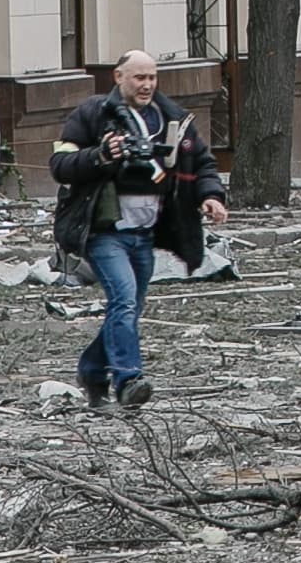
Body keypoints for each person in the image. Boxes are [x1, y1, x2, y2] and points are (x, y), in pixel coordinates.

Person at [52, 51, 228, 409]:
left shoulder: (173, 118)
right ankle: (129, 380)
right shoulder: (92, 114)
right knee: (123, 299)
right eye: (139, 78)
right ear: (118, 77)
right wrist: (101, 155)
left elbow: (203, 162)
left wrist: (210, 196)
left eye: (152, 77)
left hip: (145, 234)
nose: (147, 85)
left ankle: (91, 371)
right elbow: (60, 164)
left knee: (130, 307)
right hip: (104, 231)